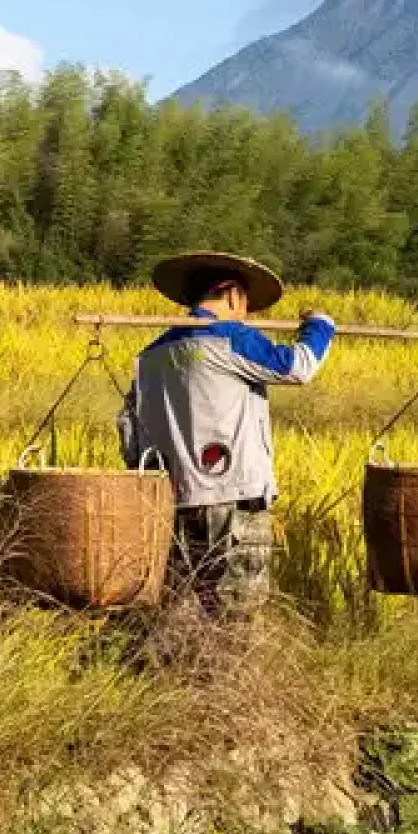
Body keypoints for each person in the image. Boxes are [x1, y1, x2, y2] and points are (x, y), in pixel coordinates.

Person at [118, 250, 335, 624]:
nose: (246, 313)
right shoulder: (230, 338)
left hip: (172, 503)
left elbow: (128, 429)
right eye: (245, 303)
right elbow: (298, 367)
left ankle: (176, 677)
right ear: (232, 293)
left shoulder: (151, 356)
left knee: (181, 606)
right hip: (235, 499)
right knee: (236, 613)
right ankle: (229, 680)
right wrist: (320, 326)